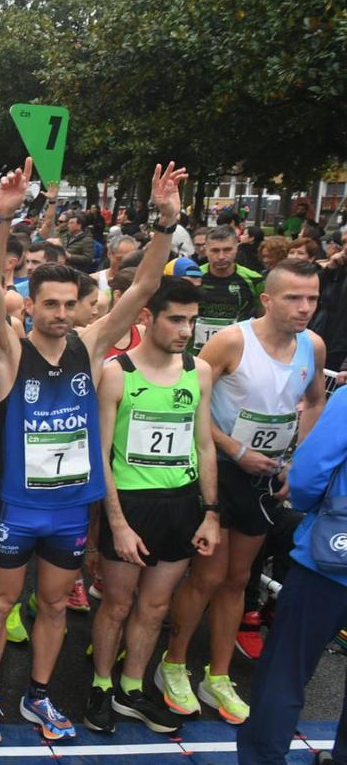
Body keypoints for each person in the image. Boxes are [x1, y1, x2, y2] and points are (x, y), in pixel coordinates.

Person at [0, 160, 183, 744]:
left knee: (56, 606)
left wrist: (167, 222)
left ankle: (38, 695)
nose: (62, 314)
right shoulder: (10, 354)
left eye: (70, 304)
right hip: (20, 507)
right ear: (30, 306)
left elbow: (144, 287)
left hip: (68, 510)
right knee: (2, 603)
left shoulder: (89, 348)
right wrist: (1, 218)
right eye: (51, 305)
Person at [160, 257, 326, 726]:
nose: (304, 307)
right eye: (293, 298)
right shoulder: (233, 341)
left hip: (265, 475)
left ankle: (218, 676)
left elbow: (315, 400)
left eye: (312, 298)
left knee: (238, 579)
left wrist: (299, 461)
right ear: (267, 299)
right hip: (221, 471)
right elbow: (188, 401)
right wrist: (234, 449)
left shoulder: (313, 345)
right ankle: (172, 665)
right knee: (207, 577)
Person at [83, 278, 221, 735]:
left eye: (192, 321)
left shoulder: (199, 371)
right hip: (132, 503)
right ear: (148, 318)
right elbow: (101, 454)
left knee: (156, 606)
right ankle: (101, 685)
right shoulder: (117, 373)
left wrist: (211, 512)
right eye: (176, 320)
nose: (186, 330)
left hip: (180, 504)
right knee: (117, 605)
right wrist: (117, 523)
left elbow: (204, 444)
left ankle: (131, 688)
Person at [236, 381, 347, 764]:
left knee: (286, 670)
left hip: (329, 561)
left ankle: (263, 759)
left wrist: (313, 506)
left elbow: (308, 473)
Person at [192, 225, 263, 353]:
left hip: (238, 352)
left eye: (227, 250)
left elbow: (264, 318)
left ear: (236, 248)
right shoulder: (193, 277)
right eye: (215, 250)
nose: (221, 256)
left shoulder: (254, 279)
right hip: (196, 352)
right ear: (206, 250)